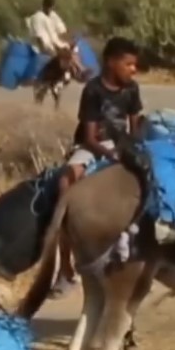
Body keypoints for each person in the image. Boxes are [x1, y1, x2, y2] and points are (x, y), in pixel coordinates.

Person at [52, 36, 144, 296]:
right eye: (128, 64)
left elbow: (135, 127)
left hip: (121, 146)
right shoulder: (93, 90)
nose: (133, 70)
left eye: (134, 65)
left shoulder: (132, 89)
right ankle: (65, 267)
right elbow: (90, 138)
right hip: (93, 147)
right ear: (111, 63)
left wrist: (131, 150)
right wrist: (110, 156)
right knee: (65, 182)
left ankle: (133, 247)